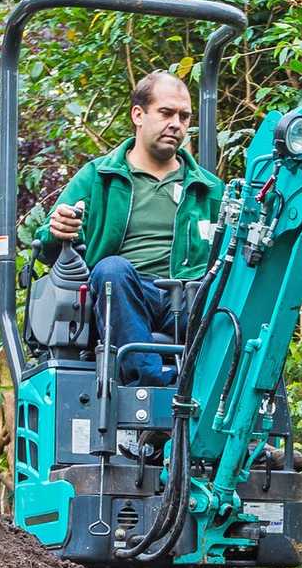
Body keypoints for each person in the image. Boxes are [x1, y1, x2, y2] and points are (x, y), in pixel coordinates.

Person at [38, 71, 222, 386]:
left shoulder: (209, 189)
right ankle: (152, 383)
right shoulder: (99, 177)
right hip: (126, 295)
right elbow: (47, 242)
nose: (176, 123)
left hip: (188, 298)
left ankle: (217, 388)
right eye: (166, 113)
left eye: (184, 116)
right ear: (138, 114)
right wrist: (58, 229)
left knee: (222, 289)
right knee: (112, 270)